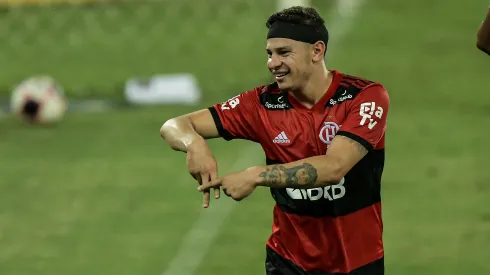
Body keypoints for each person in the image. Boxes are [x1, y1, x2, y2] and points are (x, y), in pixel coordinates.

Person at [160, 6, 389, 275]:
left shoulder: (364, 97)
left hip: (359, 262)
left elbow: (334, 167)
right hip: (289, 262)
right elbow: (173, 125)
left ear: (317, 51)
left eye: (284, 52)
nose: (272, 63)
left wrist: (256, 175)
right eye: (269, 54)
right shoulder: (261, 104)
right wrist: (194, 144)